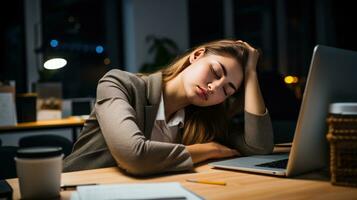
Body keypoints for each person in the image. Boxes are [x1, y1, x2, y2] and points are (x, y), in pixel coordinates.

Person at [63, 39, 274, 175]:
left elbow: (259, 148)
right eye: (216, 72)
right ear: (197, 55)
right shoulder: (119, 84)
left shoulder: (204, 122)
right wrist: (209, 149)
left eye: (227, 91)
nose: (214, 87)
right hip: (73, 191)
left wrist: (251, 74)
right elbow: (136, 157)